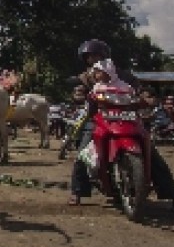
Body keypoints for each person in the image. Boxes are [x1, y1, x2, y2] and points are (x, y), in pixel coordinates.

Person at [68, 40, 174, 206]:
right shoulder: (86, 77)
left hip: (126, 117)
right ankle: (78, 191)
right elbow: (78, 93)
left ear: (105, 55)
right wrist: (80, 97)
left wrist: (147, 97)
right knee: (84, 151)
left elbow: (140, 90)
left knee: (150, 151)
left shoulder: (124, 76)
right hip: (98, 118)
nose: (92, 59)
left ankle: (167, 191)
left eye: (96, 55)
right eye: (89, 57)